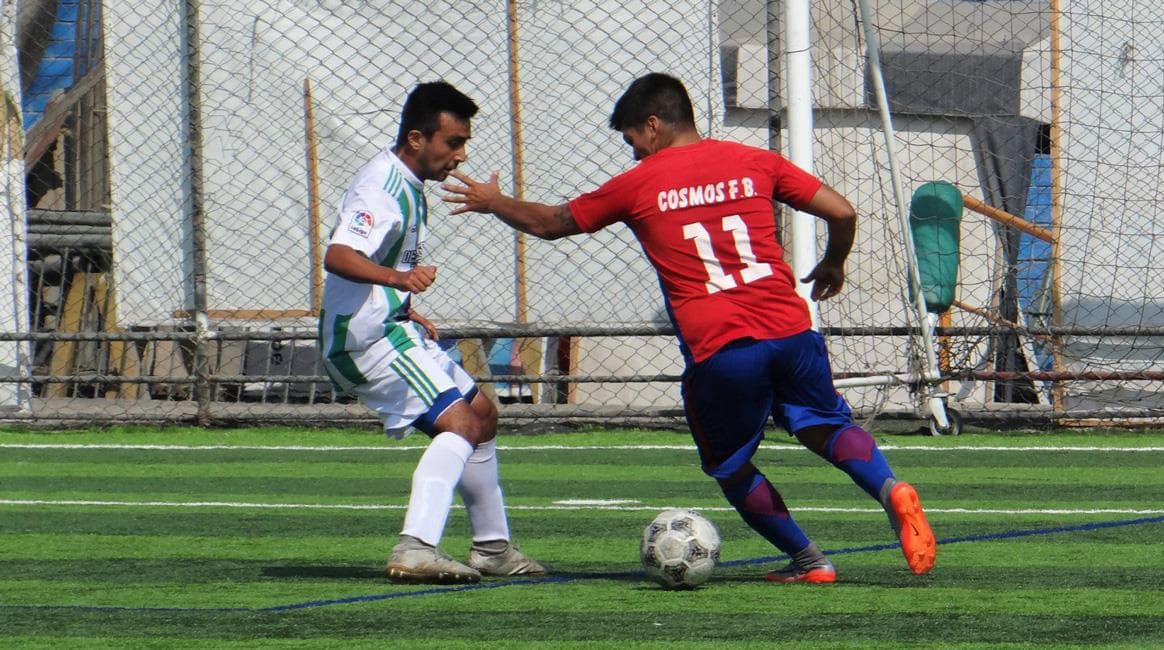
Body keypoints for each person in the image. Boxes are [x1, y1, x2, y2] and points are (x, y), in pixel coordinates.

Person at [443, 72, 935, 583]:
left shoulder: (640, 182)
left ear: (653, 126)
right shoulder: (755, 162)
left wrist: (493, 201)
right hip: (791, 332)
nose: (633, 153)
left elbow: (552, 223)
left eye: (632, 139)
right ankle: (889, 488)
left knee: (729, 466)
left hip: (723, 348)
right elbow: (842, 210)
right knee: (826, 425)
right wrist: (834, 264)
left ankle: (811, 562)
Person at [318, 80, 544, 584]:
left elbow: (378, 259)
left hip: (388, 328)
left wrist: (403, 301)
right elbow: (339, 255)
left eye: (463, 143)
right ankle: (416, 546)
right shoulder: (381, 188)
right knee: (460, 425)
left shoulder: (408, 185)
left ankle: (492, 549)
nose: (460, 156)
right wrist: (397, 281)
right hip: (365, 343)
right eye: (453, 142)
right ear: (417, 139)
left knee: (483, 415)